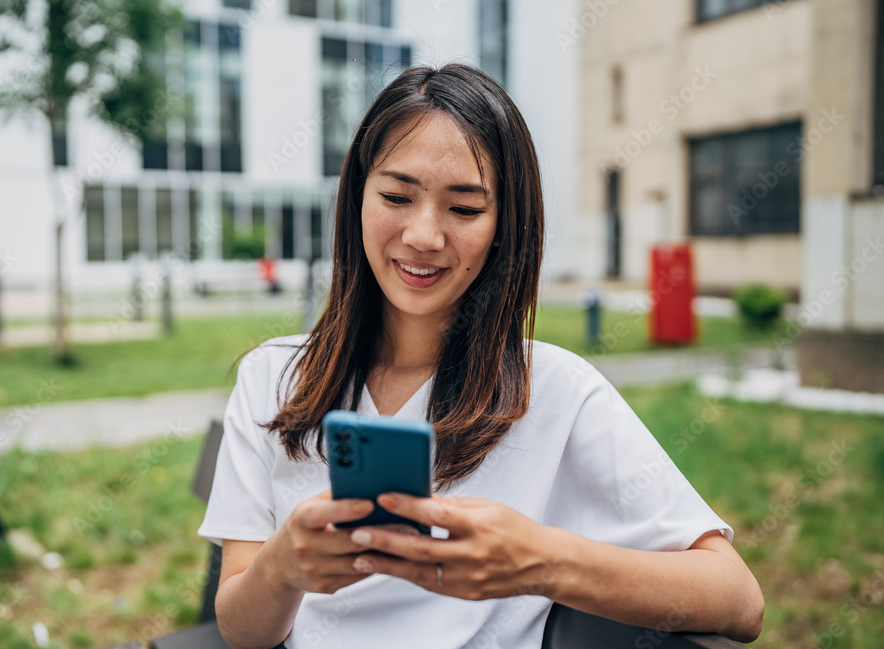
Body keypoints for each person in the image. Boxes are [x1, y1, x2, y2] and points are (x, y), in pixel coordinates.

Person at [198, 64, 764, 649]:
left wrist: (539, 561)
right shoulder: (274, 375)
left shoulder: (556, 390)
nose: (423, 235)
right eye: (396, 196)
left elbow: (738, 600)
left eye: (464, 209)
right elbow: (241, 631)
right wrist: (283, 567)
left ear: (506, 225)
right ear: (357, 197)